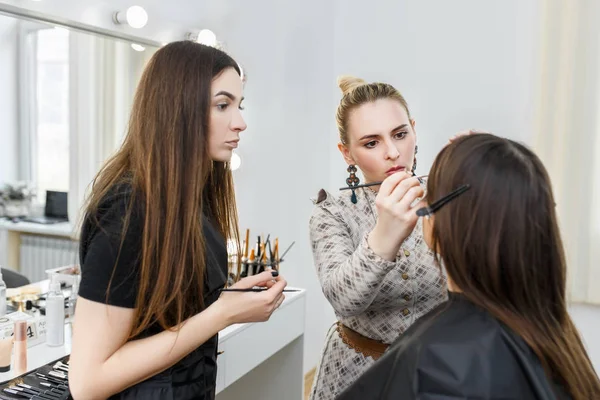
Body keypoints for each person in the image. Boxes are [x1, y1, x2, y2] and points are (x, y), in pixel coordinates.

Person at [68, 41, 287, 400]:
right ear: (177, 107)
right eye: (223, 105)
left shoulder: (190, 202)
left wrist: (229, 302)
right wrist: (220, 315)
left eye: (239, 105)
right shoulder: (128, 213)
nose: (241, 122)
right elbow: (87, 382)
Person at [338, 133, 600, 400]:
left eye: (428, 195)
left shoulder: (436, 363)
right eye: (371, 142)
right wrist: (485, 170)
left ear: (442, 222)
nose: (391, 153)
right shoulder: (558, 336)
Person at [308, 75, 450, 399]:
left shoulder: (444, 195)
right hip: (354, 375)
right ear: (347, 154)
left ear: (414, 128)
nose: (392, 152)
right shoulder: (331, 213)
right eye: (371, 143)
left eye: (400, 134)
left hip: (435, 371)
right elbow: (342, 299)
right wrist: (383, 237)